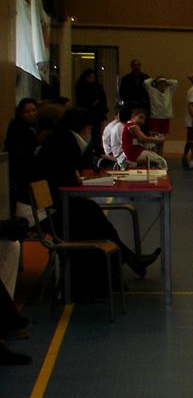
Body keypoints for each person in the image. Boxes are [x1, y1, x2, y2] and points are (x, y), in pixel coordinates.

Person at [32, 107, 161, 277]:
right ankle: (127, 259)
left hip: (50, 206)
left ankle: (129, 258)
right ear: (86, 127)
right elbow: (67, 177)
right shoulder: (66, 142)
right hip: (47, 212)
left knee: (91, 210)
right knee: (91, 214)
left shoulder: (61, 139)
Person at [5, 98, 39, 212]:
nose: (31, 114)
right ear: (21, 113)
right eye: (27, 111)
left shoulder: (37, 126)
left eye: (33, 110)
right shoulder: (16, 127)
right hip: (20, 168)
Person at [74, 69, 109, 150]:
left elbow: (102, 99)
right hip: (87, 113)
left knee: (96, 132)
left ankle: (95, 147)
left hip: (96, 113)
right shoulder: (81, 87)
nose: (93, 78)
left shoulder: (97, 87)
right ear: (87, 77)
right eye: (91, 76)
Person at [144, 75, 183, 145]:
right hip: (155, 118)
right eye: (160, 84)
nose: (163, 86)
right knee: (154, 138)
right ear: (157, 85)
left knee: (162, 138)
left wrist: (165, 80)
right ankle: (154, 151)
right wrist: (155, 79)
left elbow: (175, 82)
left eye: (164, 84)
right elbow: (146, 82)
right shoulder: (152, 91)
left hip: (165, 118)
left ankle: (160, 152)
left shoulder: (169, 91)